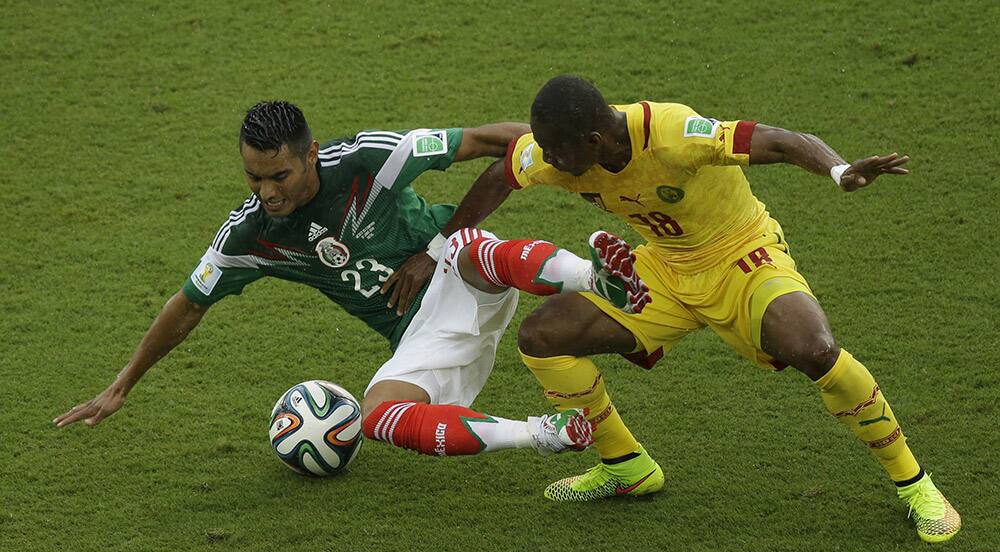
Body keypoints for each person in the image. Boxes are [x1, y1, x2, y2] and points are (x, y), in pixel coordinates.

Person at [455, 75, 960, 543]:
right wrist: (440, 246)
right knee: (543, 336)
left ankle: (914, 483)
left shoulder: (673, 132)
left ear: (592, 140)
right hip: (665, 269)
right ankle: (625, 465)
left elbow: (780, 140)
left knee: (815, 349)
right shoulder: (558, 154)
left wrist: (839, 169)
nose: (547, 160)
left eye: (555, 151)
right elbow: (501, 174)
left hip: (742, 256)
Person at [53, 100, 656, 466]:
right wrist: (122, 384)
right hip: (422, 335)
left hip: (461, 269)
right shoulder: (251, 235)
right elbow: (186, 306)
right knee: (378, 417)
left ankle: (596, 276)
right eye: (253, 178)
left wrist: (579, 154)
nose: (266, 192)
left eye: (279, 175)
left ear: (311, 154)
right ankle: (542, 434)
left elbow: (486, 140)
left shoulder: (371, 157)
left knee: (471, 247)